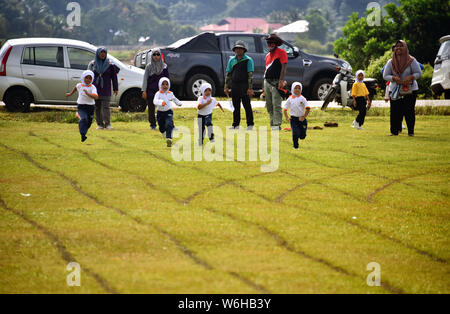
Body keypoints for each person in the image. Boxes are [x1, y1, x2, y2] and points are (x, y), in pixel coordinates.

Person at [383, 40, 422, 136]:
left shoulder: (412, 60)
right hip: (395, 90)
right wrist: (393, 78)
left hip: (410, 89)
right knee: (395, 111)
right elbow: (385, 75)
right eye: (396, 46)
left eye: (401, 46)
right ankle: (394, 132)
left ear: (405, 48)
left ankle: (411, 132)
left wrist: (411, 77)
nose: (398, 48)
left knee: (409, 110)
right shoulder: (391, 62)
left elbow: (418, 73)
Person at [224, 40, 254, 130]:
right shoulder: (231, 60)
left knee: (247, 106)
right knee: (235, 106)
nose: (238, 50)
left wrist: (250, 88)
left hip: (245, 85)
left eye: (240, 49)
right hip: (235, 85)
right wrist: (226, 86)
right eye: (237, 49)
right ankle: (235, 124)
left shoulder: (248, 60)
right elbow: (228, 74)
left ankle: (250, 124)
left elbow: (250, 75)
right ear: (235, 50)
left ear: (244, 50)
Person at [88, 47, 119, 130]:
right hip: (95, 89)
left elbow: (114, 77)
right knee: (97, 107)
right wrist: (88, 88)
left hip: (106, 88)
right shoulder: (92, 64)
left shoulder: (110, 65)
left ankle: (107, 124)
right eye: (101, 52)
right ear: (98, 54)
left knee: (106, 107)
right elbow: (88, 76)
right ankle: (100, 124)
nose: (102, 54)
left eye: (104, 53)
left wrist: (115, 88)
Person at [66, 70, 98, 142]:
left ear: (92, 79)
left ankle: (78, 115)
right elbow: (75, 88)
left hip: (90, 107)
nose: (88, 80)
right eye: (86, 78)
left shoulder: (92, 87)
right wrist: (70, 94)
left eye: (90, 78)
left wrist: (88, 94)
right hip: (81, 106)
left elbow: (96, 97)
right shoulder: (79, 85)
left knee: (89, 122)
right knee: (84, 119)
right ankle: (83, 135)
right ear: (83, 78)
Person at [264, 34, 288, 130]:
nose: (270, 44)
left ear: (276, 43)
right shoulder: (267, 56)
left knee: (276, 104)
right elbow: (265, 71)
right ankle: (272, 123)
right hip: (267, 82)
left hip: (277, 81)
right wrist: (263, 85)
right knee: (269, 105)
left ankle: (277, 124)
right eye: (269, 42)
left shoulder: (282, 52)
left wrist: (281, 81)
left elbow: (284, 68)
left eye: (272, 42)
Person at [142, 48, 169, 130]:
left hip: (161, 91)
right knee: (151, 108)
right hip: (151, 91)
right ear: (152, 56)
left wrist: (167, 91)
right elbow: (145, 79)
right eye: (154, 54)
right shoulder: (149, 66)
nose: (156, 56)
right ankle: (153, 124)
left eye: (158, 54)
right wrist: (144, 90)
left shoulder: (164, 66)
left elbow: (167, 80)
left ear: (160, 55)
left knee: (163, 108)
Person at [153, 77, 182, 147]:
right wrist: (161, 102)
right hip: (160, 113)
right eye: (163, 84)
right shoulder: (158, 93)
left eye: (167, 84)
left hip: (168, 112)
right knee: (161, 127)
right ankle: (165, 131)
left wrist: (179, 103)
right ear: (160, 85)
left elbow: (175, 99)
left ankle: (169, 138)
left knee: (168, 124)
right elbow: (155, 101)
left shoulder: (170, 93)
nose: (165, 86)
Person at [283, 82, 310, 150]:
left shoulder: (302, 98)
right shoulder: (290, 99)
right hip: (293, 120)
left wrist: (303, 117)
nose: (297, 90)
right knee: (295, 133)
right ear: (292, 89)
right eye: (296, 88)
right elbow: (285, 109)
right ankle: (295, 146)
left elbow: (308, 108)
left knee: (302, 136)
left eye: (299, 88)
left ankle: (302, 135)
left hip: (302, 119)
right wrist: (287, 118)